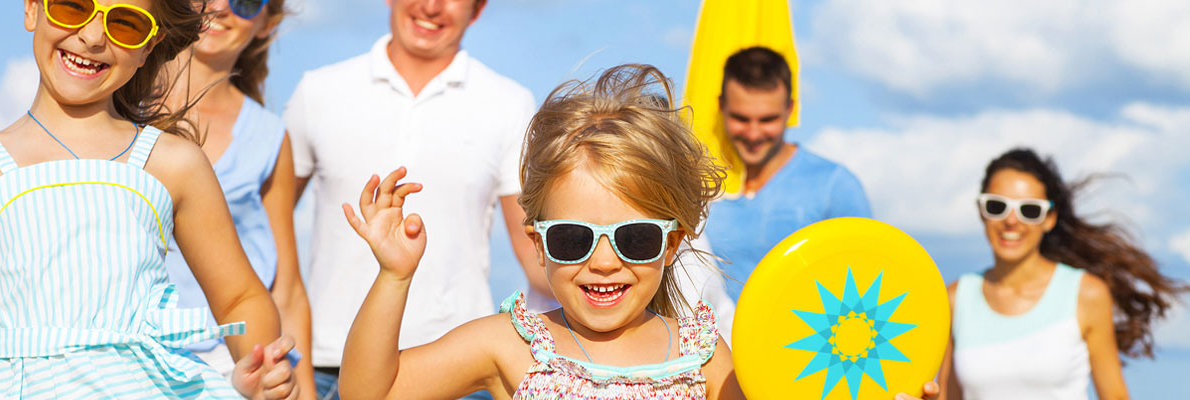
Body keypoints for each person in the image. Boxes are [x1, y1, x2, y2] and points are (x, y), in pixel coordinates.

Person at [335, 64, 939, 400]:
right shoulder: (512, 344)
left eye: (635, 239)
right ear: (538, 237)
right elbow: (369, 394)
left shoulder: (702, 356)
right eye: (574, 238)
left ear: (673, 243)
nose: (603, 261)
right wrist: (393, 276)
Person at [0, 0, 296, 398]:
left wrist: (260, 368)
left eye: (126, 24)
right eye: (72, 7)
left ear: (148, 48)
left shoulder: (172, 163)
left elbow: (240, 296)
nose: (92, 36)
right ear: (32, 9)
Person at [282, 0, 546, 396]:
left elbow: (535, 249)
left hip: (459, 370)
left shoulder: (511, 103)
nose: (431, 6)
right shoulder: (317, 91)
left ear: (477, 10)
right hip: (323, 363)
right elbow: (266, 226)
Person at [938, 148, 1188, 400]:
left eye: (1029, 210)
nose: (1011, 220)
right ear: (981, 211)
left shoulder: (1086, 293)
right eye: (996, 206)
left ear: (1049, 218)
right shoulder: (954, 299)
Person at [160, 0, 315, 395]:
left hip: (238, 365)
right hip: (137, 357)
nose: (220, 7)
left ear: (267, 22)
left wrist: (308, 391)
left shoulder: (269, 136)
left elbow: (288, 289)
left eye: (245, 1)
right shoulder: (120, 106)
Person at [701, 46, 871, 302]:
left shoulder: (834, 186)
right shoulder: (699, 188)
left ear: (790, 109)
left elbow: (864, 282)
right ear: (721, 106)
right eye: (741, 118)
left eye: (768, 119)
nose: (754, 134)